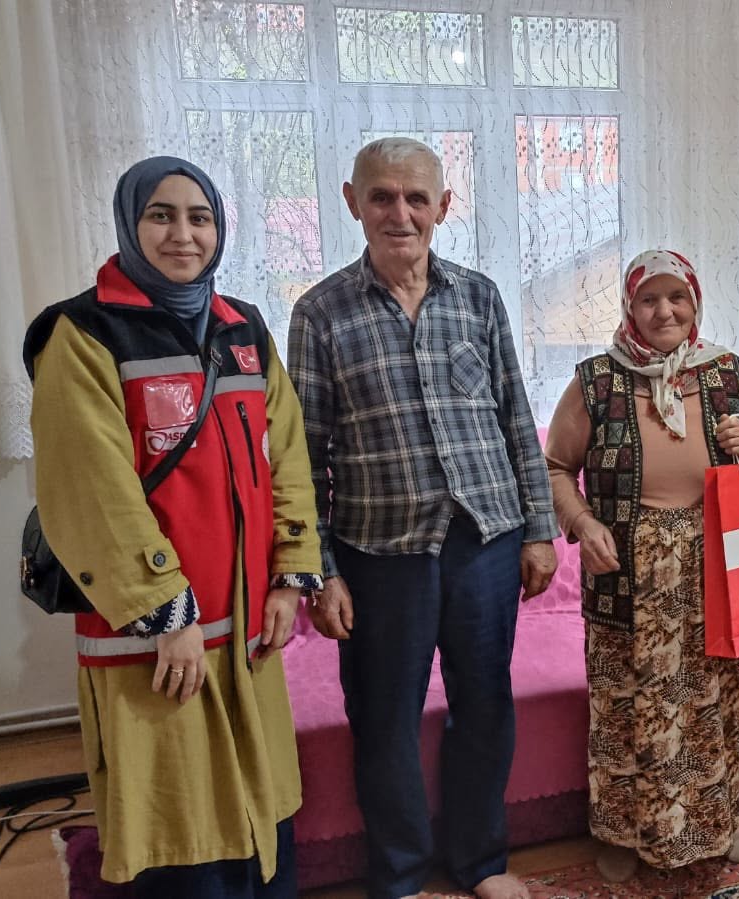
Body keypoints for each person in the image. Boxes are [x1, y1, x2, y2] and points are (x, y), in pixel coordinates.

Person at [26, 156, 322, 897]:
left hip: (247, 628)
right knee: (178, 826)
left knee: (261, 816)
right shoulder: (84, 334)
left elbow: (286, 455)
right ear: (130, 225)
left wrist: (291, 575)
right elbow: (91, 489)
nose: (183, 234)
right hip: (155, 638)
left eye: (200, 217)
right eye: (160, 215)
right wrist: (166, 612)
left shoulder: (243, 328)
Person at [288, 137, 558, 899]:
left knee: (485, 705)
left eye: (415, 198)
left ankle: (480, 861)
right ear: (353, 202)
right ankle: (401, 873)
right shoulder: (319, 313)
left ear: (443, 205)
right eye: (381, 196)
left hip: (486, 541)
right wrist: (321, 572)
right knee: (384, 715)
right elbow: (302, 456)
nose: (399, 214)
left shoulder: (478, 296)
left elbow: (515, 417)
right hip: (379, 551)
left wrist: (539, 529)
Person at [543, 249, 739, 883]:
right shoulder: (597, 380)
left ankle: (720, 822)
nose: (664, 311)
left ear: (695, 302)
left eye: (676, 297)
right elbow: (554, 467)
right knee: (629, 703)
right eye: (649, 299)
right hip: (629, 571)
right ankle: (626, 835)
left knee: (720, 700)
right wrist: (583, 524)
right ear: (630, 308)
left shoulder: (725, 371)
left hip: (720, 565)